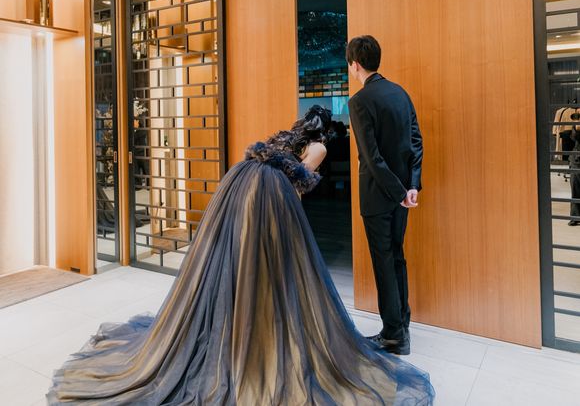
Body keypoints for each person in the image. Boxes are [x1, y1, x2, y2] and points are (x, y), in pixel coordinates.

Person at [48, 105, 434, 405]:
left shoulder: (284, 137)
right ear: (327, 132)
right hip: (267, 195)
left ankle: (236, 318)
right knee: (271, 264)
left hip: (239, 184)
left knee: (234, 259)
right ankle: (260, 326)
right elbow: (296, 186)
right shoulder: (318, 147)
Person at [347, 36, 423, 356]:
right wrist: (411, 186)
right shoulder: (401, 93)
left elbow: (372, 158)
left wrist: (398, 192)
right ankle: (402, 324)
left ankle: (393, 334)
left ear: (355, 64)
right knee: (397, 256)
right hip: (403, 193)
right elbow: (416, 141)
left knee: (384, 262)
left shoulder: (359, 102)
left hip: (379, 196)